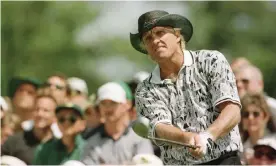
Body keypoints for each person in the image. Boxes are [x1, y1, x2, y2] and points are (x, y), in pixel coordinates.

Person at [130, 10, 243, 165]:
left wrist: (207, 136)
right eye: (148, 38)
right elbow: (160, 128)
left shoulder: (211, 60)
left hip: (225, 160)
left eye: (160, 33)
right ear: (146, 48)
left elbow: (232, 110)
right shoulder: (145, 90)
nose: (155, 41)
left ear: (177, 35)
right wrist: (188, 138)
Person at [81, 82, 154, 165]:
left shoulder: (139, 139)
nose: (108, 108)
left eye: (113, 103)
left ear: (126, 105)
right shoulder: (92, 141)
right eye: (103, 103)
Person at [1, 94, 57, 164]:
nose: (40, 114)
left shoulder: (60, 147)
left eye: (45, 110)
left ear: (55, 116)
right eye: (37, 109)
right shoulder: (14, 141)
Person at [234, 65, 276, 129]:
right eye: (235, 82)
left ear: (260, 84)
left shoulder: (272, 107)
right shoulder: (231, 109)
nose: (238, 85)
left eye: (245, 81)